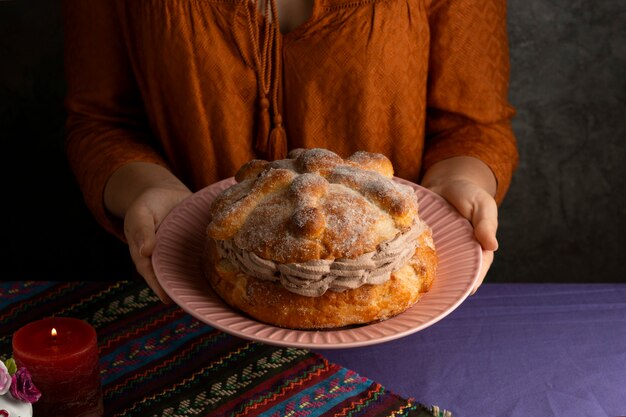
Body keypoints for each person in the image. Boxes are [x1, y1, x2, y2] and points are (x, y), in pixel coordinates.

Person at [62, 0, 518, 303]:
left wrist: (458, 183)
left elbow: (471, 127)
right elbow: (102, 122)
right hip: (186, 289)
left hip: (397, 305)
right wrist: (152, 189)